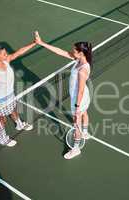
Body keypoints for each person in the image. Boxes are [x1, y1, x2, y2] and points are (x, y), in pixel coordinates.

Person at [34, 31, 91, 159]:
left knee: (76, 123)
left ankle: (76, 149)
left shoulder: (83, 69)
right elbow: (60, 51)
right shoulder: (79, 60)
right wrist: (41, 43)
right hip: (84, 97)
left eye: (74, 51)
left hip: (79, 98)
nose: (72, 52)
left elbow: (80, 90)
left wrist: (76, 105)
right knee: (85, 113)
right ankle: (86, 133)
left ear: (80, 53)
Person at [0, 41, 36, 147]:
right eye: (4, 54)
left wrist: (33, 43)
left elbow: (18, 52)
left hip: (11, 95)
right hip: (1, 101)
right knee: (2, 120)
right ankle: (2, 138)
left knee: (14, 110)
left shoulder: (6, 61)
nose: (6, 55)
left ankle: (19, 124)